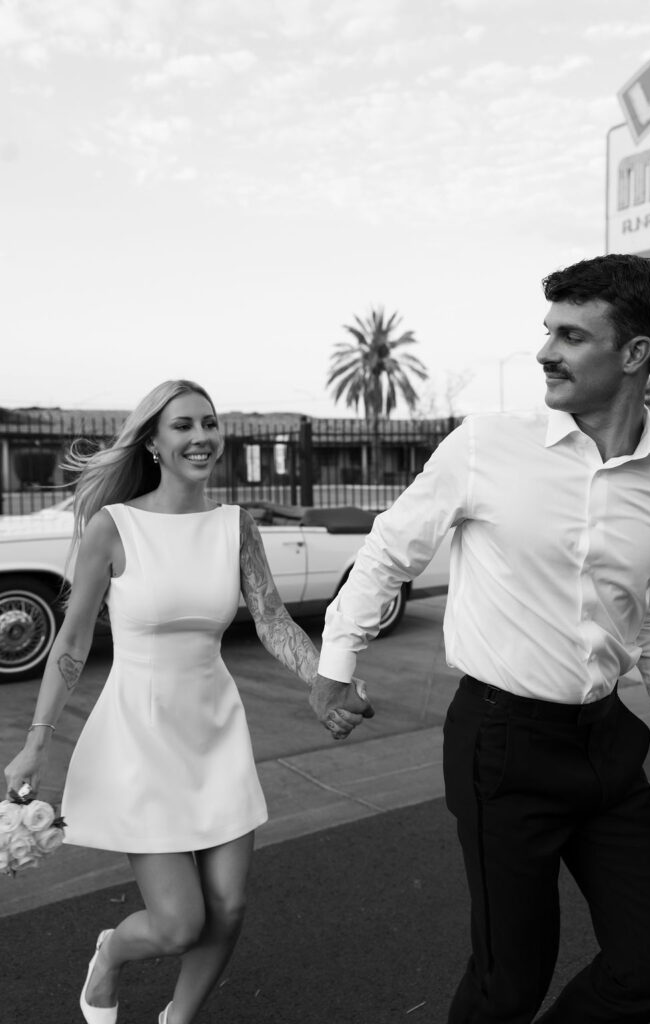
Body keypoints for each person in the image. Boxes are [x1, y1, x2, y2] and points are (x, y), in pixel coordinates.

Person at [310, 254, 650, 1023]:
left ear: (635, 353)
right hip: (502, 743)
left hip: (609, 743)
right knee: (508, 981)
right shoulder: (486, 444)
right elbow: (388, 550)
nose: (545, 350)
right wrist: (337, 663)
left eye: (571, 335)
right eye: (546, 330)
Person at [4, 379, 371, 1024]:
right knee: (178, 923)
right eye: (183, 426)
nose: (201, 437)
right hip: (139, 736)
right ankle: (110, 956)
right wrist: (36, 741)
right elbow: (74, 636)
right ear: (153, 441)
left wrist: (325, 681)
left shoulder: (236, 526)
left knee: (228, 907)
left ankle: (178, 1019)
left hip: (215, 728)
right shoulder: (112, 529)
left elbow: (273, 619)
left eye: (209, 423)